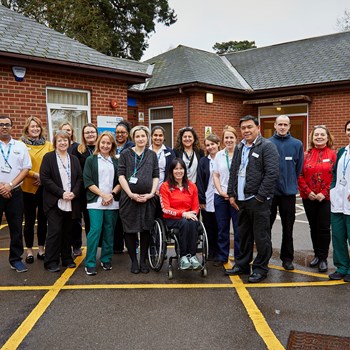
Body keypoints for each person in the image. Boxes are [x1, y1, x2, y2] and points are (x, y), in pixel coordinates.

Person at [226, 115, 279, 283]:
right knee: (243, 235)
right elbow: (234, 170)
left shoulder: (267, 146)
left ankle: (260, 268)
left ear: (258, 128)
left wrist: (260, 197)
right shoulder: (240, 146)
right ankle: (242, 264)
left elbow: (271, 174)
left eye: (250, 127)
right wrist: (231, 194)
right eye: (243, 128)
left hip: (257, 201)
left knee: (261, 236)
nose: (246, 130)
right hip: (241, 200)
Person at [118, 125, 159, 274]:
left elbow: (156, 175)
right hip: (129, 199)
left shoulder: (152, 155)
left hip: (148, 199)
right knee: (130, 230)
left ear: (147, 138)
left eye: (143, 136)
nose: (141, 139)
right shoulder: (125, 154)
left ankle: (143, 261)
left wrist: (151, 193)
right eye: (138, 136)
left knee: (145, 230)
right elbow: (121, 175)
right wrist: (130, 194)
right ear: (133, 138)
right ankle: (134, 261)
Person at [40, 130, 82, 272]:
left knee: (67, 232)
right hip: (54, 201)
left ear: (69, 142)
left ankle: (66, 258)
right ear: (55, 143)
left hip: (71, 201)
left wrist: (74, 193)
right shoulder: (49, 158)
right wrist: (61, 193)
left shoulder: (74, 159)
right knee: (55, 231)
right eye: (60, 140)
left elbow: (79, 179)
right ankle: (51, 261)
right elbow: (45, 179)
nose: (63, 143)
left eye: (65, 140)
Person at [298, 125, 336, 273]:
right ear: (312, 138)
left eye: (322, 135)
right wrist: (308, 192)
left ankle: (323, 258)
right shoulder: (305, 155)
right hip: (309, 198)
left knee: (324, 228)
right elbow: (300, 175)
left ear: (327, 138)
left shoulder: (333, 154)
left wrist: (324, 193)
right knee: (313, 227)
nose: (319, 137)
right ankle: (316, 254)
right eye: (316, 135)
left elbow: (334, 177)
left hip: (325, 199)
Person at [269, 115, 304, 271]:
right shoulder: (267, 143)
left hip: (288, 195)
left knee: (287, 228)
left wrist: (290, 183)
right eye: (279, 124)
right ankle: (265, 257)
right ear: (275, 125)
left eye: (285, 124)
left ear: (289, 126)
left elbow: (298, 169)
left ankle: (287, 258)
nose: (282, 127)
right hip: (270, 193)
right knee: (265, 228)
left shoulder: (297, 144)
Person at [83, 131, 120, 275]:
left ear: (112, 145)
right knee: (95, 230)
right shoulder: (91, 160)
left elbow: (120, 181)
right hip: (95, 201)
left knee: (109, 231)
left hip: (112, 201)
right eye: (103, 142)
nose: (105, 145)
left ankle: (106, 259)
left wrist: (110, 195)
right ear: (99, 143)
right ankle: (90, 262)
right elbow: (87, 181)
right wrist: (103, 195)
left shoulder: (116, 161)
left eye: (108, 143)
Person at [0, 116, 31, 272]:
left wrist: (10, 186)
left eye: (7, 125)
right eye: (1, 125)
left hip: (16, 192)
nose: (4, 127)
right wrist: (2, 187)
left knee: (16, 227)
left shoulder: (20, 146)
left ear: (12, 127)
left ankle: (15, 259)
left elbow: (26, 168)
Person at [20, 116, 54, 263]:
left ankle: (41, 249)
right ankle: (29, 251)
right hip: (27, 188)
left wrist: (43, 178)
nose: (35, 129)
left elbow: (52, 164)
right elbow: (19, 166)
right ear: (27, 128)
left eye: (37, 126)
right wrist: (36, 174)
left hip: (44, 188)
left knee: (42, 220)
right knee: (28, 221)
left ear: (41, 129)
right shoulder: (20, 145)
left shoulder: (48, 145)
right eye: (32, 126)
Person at [160, 158, 201, 270]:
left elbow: (196, 206)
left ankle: (192, 256)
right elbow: (165, 208)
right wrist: (183, 214)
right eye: (176, 169)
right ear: (171, 171)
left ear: (184, 170)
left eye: (181, 168)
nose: (179, 171)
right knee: (185, 222)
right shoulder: (165, 186)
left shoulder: (192, 186)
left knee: (192, 223)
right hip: (172, 218)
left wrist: (192, 214)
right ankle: (183, 256)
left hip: (189, 217)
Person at [212, 126, 240, 267]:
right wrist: (221, 191)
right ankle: (223, 256)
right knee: (222, 229)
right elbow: (215, 175)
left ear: (236, 138)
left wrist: (232, 194)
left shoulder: (241, 153)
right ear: (222, 141)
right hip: (221, 196)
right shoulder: (219, 155)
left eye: (231, 137)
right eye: (226, 138)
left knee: (238, 229)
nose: (229, 140)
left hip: (237, 197)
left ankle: (239, 258)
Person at [71, 123, 98, 256]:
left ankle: (92, 246)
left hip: (96, 190)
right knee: (77, 220)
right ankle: (76, 246)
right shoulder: (77, 149)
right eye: (87, 132)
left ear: (96, 133)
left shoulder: (102, 148)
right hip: (80, 190)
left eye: (92, 132)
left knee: (91, 220)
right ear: (83, 135)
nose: (90, 134)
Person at [329, 120, 350, 282]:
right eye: (348, 129)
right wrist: (333, 188)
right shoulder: (343, 151)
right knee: (338, 236)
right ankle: (341, 267)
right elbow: (335, 173)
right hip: (338, 201)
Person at [197, 133, 220, 263]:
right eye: (208, 145)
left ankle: (220, 253)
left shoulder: (223, 158)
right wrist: (201, 200)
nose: (210, 147)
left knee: (220, 227)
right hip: (207, 197)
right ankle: (211, 251)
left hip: (221, 198)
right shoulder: (204, 161)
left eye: (212, 144)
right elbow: (200, 181)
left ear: (218, 144)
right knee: (209, 227)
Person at [113, 120, 134, 254]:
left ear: (127, 134)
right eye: (117, 132)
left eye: (123, 132)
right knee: (115, 218)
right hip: (112, 186)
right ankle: (117, 246)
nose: (120, 135)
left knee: (127, 218)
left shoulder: (131, 147)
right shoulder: (112, 146)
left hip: (127, 186)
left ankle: (132, 245)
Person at [149, 125, 175, 217]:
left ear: (164, 137)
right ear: (151, 137)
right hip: (148, 190)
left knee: (162, 215)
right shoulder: (146, 151)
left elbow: (172, 171)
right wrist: (153, 189)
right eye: (155, 135)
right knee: (150, 216)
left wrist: (163, 188)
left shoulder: (169, 152)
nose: (158, 138)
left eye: (160, 135)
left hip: (164, 190)